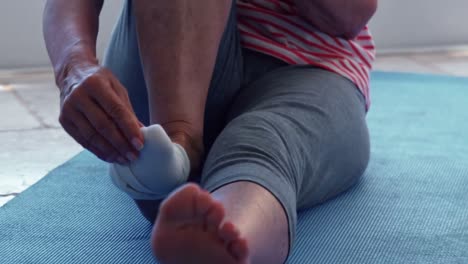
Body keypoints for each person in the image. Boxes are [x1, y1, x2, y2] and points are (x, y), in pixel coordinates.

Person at [43, 0, 377, 263]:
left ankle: (227, 237)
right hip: (164, 68)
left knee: (264, 139)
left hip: (312, 70)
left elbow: (349, 14)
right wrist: (74, 66)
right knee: (222, 143)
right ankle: (176, 149)